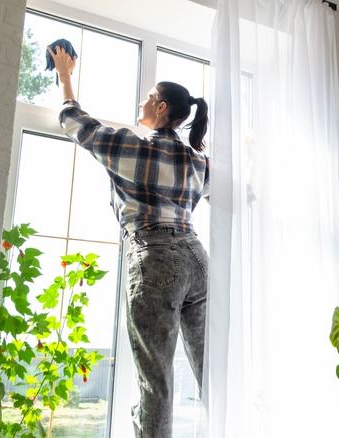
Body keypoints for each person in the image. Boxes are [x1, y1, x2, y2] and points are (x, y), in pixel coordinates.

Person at [47, 45, 210, 438]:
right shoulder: (198, 162)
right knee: (212, 371)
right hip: (197, 260)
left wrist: (65, 76)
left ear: (161, 107)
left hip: (155, 259)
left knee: (156, 380)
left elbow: (76, 121)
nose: (142, 101)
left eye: (148, 97)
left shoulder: (133, 146)